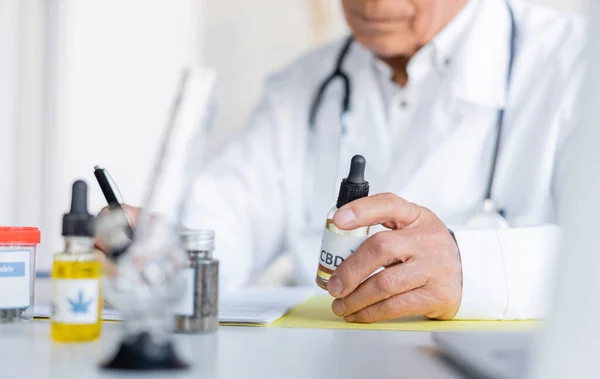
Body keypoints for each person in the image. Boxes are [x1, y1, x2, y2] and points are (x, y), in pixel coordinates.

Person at [111, 0, 585, 323]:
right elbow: (223, 227)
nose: (372, 3)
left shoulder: (577, 63)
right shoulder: (303, 87)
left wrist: (471, 267)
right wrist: (165, 250)